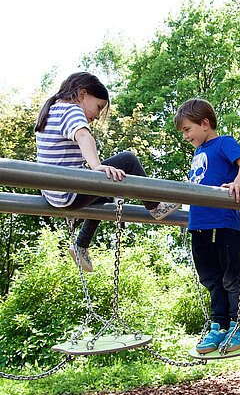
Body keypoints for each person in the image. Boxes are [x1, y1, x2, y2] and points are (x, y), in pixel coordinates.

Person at [35, 72, 179, 272]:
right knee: (127, 159)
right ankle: (155, 206)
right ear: (82, 94)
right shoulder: (71, 110)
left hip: (53, 193)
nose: (97, 115)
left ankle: (81, 245)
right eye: (99, 107)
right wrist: (96, 167)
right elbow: (84, 136)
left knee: (105, 195)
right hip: (69, 191)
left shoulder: (51, 111)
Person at [174, 98, 240, 353]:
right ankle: (218, 325)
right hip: (198, 222)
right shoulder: (198, 153)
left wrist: (239, 182)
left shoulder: (223, 143)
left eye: (188, 129)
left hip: (223, 221)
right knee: (209, 277)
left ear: (205, 123)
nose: (186, 136)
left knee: (231, 275)